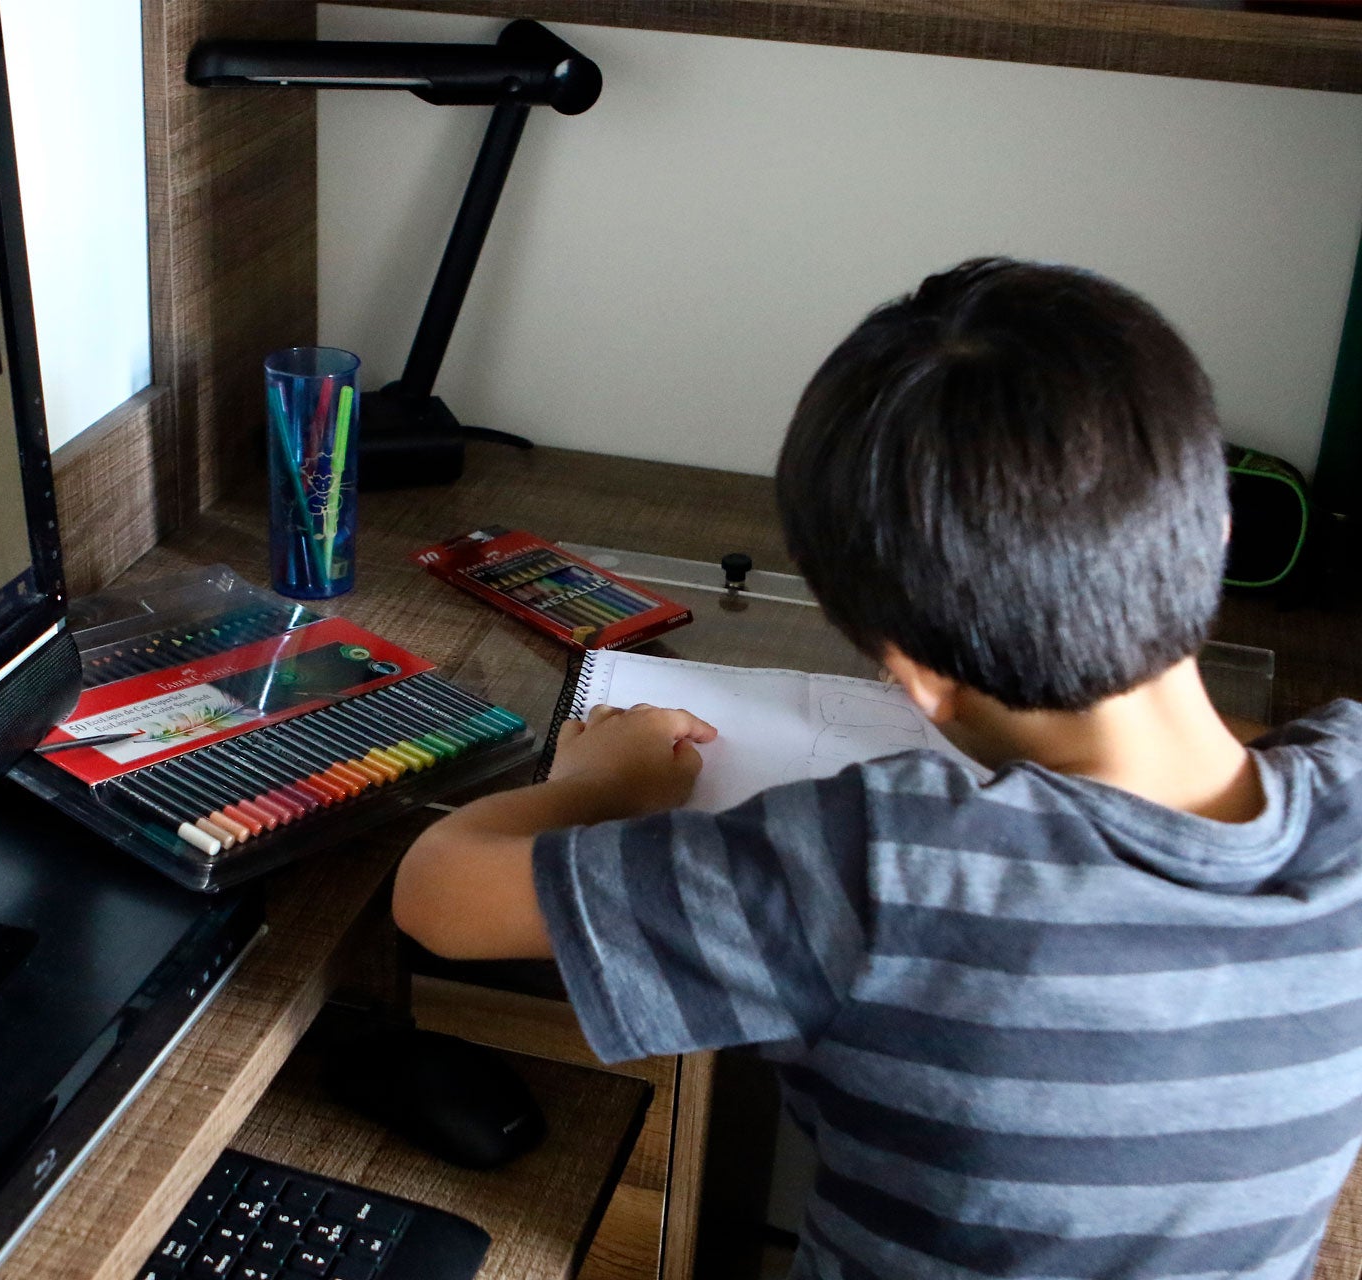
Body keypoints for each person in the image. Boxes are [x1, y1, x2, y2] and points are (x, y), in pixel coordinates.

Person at [392, 259, 1362, 1279]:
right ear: (1215, 536)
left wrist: (602, 786)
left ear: (914, 677)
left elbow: (438, 893)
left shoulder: (888, 864)